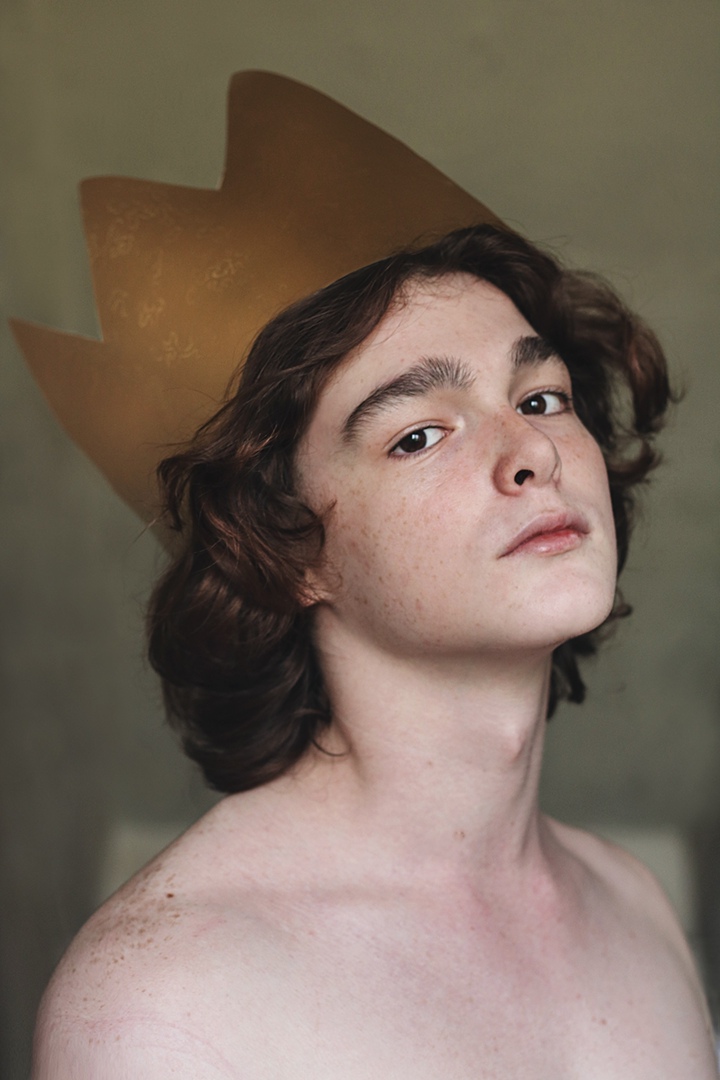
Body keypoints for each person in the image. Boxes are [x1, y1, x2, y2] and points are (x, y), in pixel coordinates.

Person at [17, 75, 718, 1078]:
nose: (530, 450)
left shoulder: (637, 908)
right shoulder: (163, 1001)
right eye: (419, 434)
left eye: (542, 396)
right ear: (291, 549)